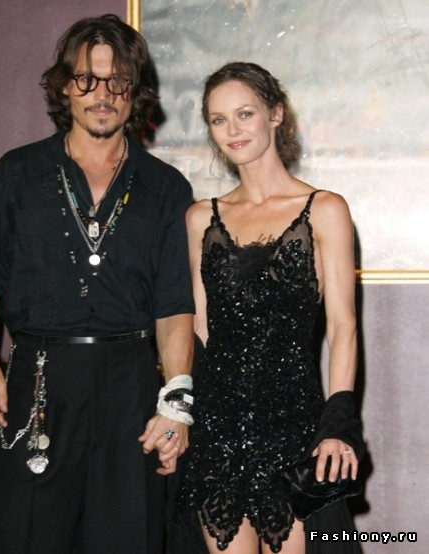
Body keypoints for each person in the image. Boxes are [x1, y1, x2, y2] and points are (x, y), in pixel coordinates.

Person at [0, 14, 195, 554]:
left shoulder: (166, 188)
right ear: (65, 86)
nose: (101, 95)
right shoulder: (16, 173)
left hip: (132, 387)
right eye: (86, 78)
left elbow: (175, 305)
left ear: (135, 91)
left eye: (117, 81)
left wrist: (176, 402)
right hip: (37, 382)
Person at [177, 62, 364, 554]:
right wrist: (177, 411)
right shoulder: (199, 219)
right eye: (218, 120)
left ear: (275, 114)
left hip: (294, 427)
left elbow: (343, 327)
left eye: (245, 114)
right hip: (218, 431)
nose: (233, 130)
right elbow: (199, 332)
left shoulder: (325, 210)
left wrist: (338, 425)